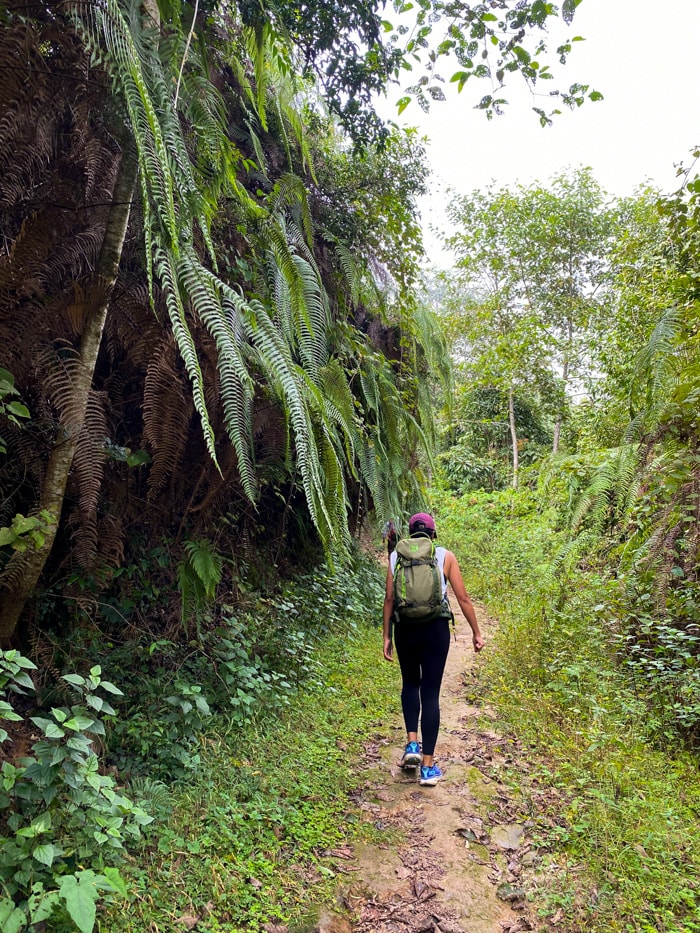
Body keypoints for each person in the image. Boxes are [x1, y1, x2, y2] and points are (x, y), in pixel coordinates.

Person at [382, 512, 485, 786]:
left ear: (410, 532)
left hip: (405, 629)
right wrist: (476, 632)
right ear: (433, 534)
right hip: (435, 630)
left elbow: (390, 599)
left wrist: (387, 636)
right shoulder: (445, 556)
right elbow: (462, 597)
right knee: (430, 693)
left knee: (410, 684)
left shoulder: (396, 557)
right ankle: (428, 769)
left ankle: (412, 745)